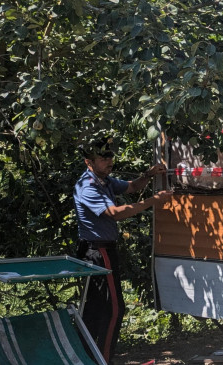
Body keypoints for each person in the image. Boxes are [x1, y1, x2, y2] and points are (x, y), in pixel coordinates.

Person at [74, 137, 172, 364]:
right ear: (89, 162)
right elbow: (115, 213)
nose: (109, 162)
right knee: (114, 309)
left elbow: (132, 186)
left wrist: (148, 174)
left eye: (110, 157)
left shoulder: (104, 180)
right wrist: (153, 201)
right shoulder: (87, 186)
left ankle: (86, 358)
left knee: (96, 308)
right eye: (103, 159)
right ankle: (103, 360)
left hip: (102, 250)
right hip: (98, 252)